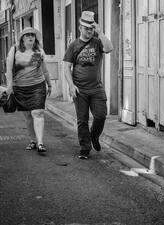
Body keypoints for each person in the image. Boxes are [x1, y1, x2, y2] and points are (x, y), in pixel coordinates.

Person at [63, 11, 113, 159]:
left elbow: (110, 48)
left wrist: (101, 32)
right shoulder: (73, 45)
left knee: (101, 115)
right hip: (80, 90)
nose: (89, 31)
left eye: (91, 28)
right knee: (82, 120)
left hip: (97, 88)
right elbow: (66, 67)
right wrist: (71, 86)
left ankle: (94, 136)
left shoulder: (98, 42)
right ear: (80, 28)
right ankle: (85, 148)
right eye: (86, 28)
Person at [5, 27, 52, 153]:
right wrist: (9, 86)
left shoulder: (39, 51)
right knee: (28, 116)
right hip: (20, 87)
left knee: (38, 112)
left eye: (32, 35)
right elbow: (8, 69)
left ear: (35, 37)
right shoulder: (14, 50)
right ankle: (33, 140)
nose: (30, 37)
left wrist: (49, 84)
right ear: (22, 38)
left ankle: (41, 143)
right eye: (27, 35)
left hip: (38, 85)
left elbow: (45, 70)